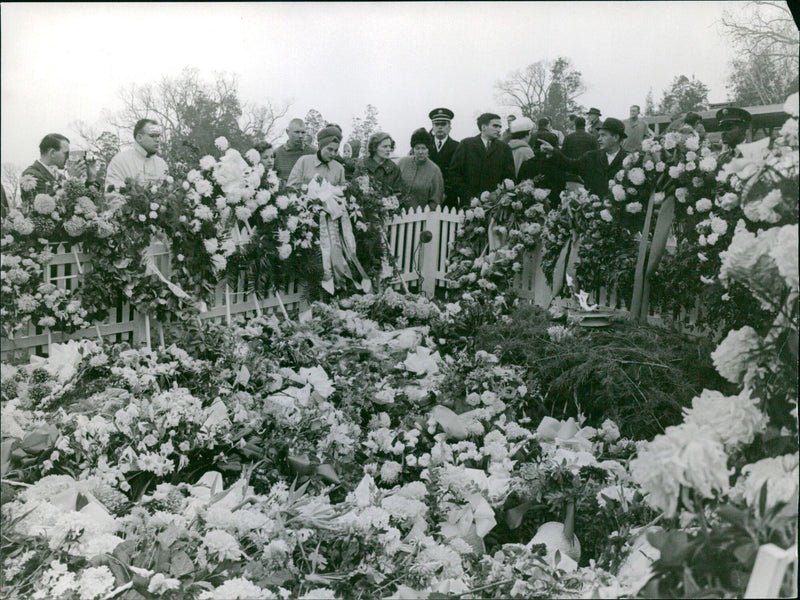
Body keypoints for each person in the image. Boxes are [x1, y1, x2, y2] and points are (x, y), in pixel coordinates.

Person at [539, 117, 629, 198]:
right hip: (593, 210)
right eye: (599, 135)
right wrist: (554, 152)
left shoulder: (629, 161)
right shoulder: (592, 156)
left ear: (616, 137)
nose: (599, 139)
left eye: (603, 135)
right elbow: (570, 165)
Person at [448, 112, 515, 207]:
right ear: (483, 127)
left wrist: (497, 195)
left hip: (496, 206)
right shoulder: (466, 145)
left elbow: (510, 177)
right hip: (470, 204)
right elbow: (454, 174)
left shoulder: (504, 149)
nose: (499, 129)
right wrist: (469, 197)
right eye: (495, 126)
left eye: (500, 127)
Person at [21, 133, 101, 206]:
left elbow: (83, 205)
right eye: (66, 153)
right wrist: (72, 180)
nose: (68, 157)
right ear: (52, 153)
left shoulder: (60, 177)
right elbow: (46, 208)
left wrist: (91, 179)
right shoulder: (30, 175)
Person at [105, 119, 168, 194]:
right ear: (139, 137)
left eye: (158, 136)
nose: (157, 140)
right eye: (152, 136)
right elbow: (113, 196)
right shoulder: (119, 161)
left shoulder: (162, 165)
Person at [397, 128, 444, 209]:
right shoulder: (402, 163)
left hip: (421, 217)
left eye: (423, 148)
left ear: (428, 149)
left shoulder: (434, 170)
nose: (420, 152)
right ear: (413, 149)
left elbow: (436, 199)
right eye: (417, 148)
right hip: (398, 214)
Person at [517, 131, 566, 201]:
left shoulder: (527, 164)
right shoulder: (558, 165)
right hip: (554, 207)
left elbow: (519, 186)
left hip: (529, 205)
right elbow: (562, 188)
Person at [428, 108, 459, 207]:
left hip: (448, 197)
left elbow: (458, 173)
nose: (440, 127)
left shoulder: (458, 147)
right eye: (437, 124)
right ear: (432, 127)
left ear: (450, 127)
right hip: (426, 194)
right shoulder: (425, 146)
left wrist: (446, 192)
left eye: (443, 124)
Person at [274, 118, 315, 183]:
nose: (300, 136)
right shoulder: (276, 153)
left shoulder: (313, 153)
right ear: (287, 132)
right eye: (297, 132)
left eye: (303, 132)